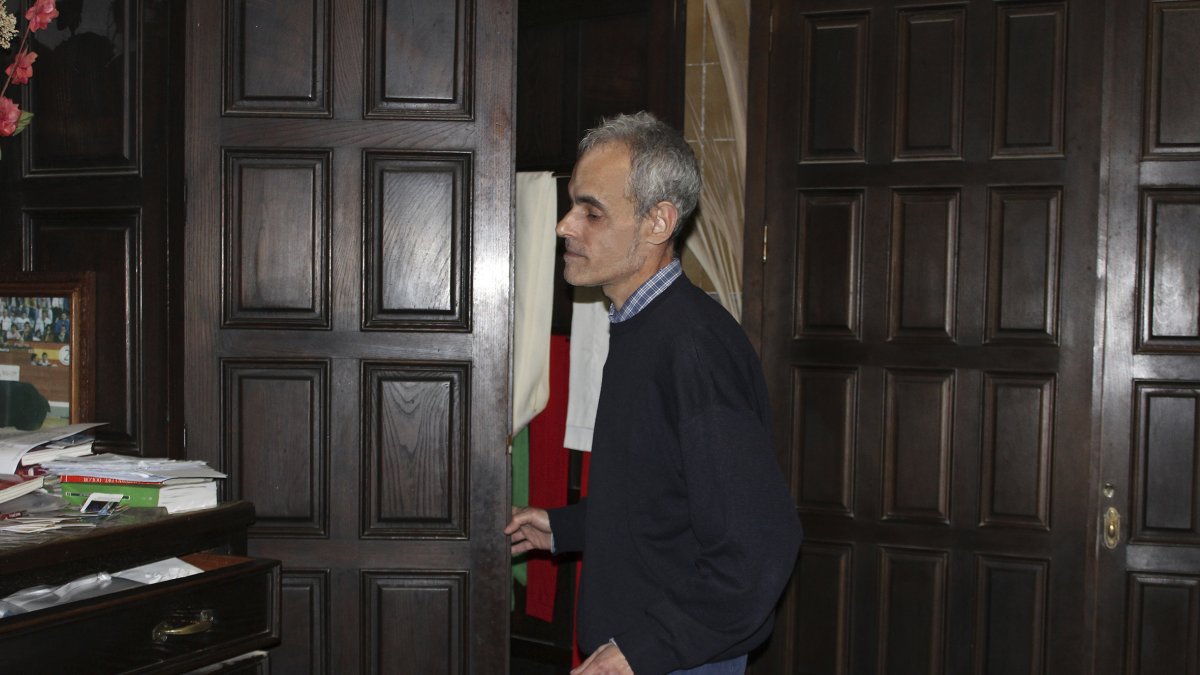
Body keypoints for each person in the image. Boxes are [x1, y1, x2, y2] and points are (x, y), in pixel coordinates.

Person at [505, 112, 802, 675]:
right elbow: (666, 496)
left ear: (658, 222)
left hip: (679, 660)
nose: (565, 225)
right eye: (572, 205)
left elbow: (761, 546)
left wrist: (645, 650)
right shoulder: (641, 325)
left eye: (591, 211)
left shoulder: (692, 346)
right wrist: (564, 527)